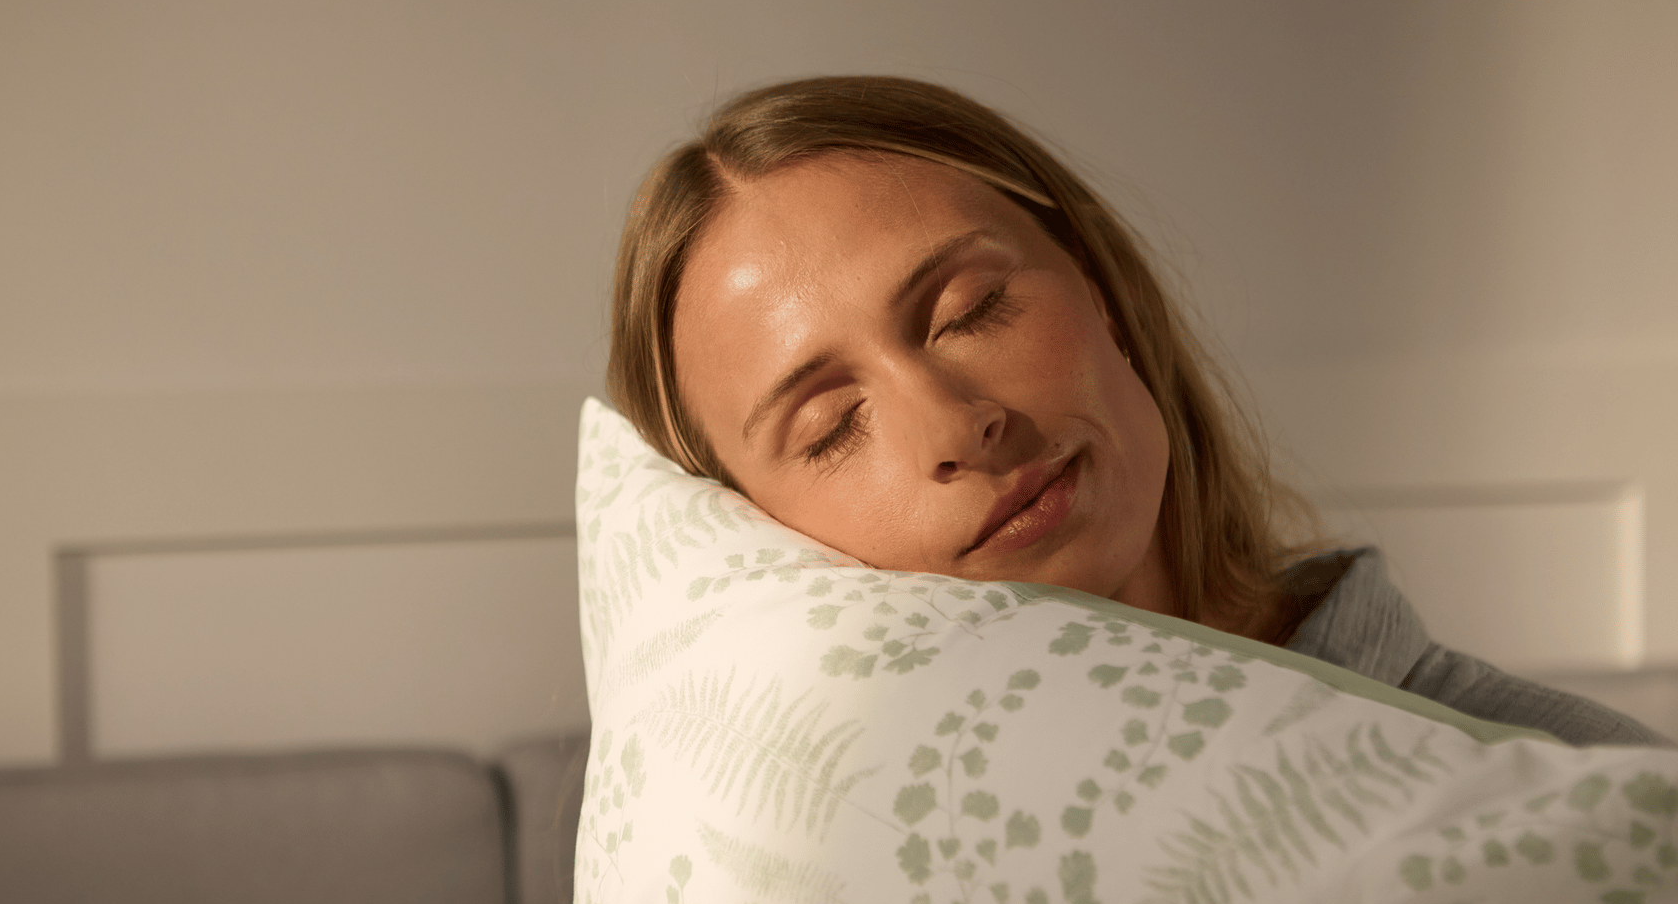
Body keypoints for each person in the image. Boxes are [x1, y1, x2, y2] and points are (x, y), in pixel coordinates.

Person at [603, 74, 1668, 750]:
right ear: (755, 536)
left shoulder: (1592, 801)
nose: (955, 427)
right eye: (832, 427)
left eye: (972, 311)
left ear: (1100, 291)